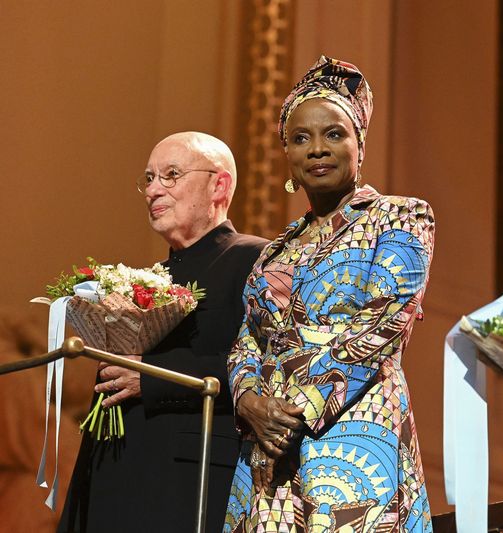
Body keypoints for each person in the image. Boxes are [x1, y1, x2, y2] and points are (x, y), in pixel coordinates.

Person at [224, 56, 434, 532]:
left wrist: (295, 410)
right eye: (301, 138)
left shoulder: (400, 218)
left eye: (334, 134)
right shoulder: (272, 253)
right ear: (288, 158)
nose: (317, 149)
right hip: (270, 451)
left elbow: (383, 324)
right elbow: (247, 342)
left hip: (353, 431)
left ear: (359, 144)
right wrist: (250, 402)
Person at [58, 132, 268, 532]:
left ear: (219, 186)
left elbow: (268, 368)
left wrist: (152, 378)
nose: (153, 189)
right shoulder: (148, 280)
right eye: (149, 178)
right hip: (112, 472)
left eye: (171, 175)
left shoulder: (255, 258)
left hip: (186, 478)